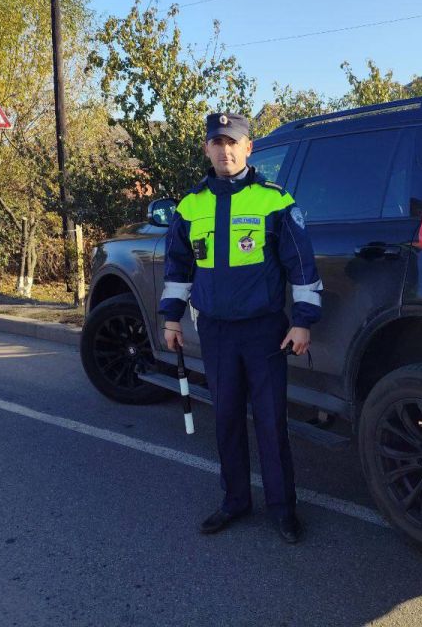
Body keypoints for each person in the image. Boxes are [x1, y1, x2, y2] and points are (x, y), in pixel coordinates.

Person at [158, 112, 322, 544]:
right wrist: (171, 317)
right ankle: (234, 501)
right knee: (227, 419)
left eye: (233, 142)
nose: (225, 150)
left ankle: (283, 510)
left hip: (265, 333)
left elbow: (301, 267)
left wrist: (303, 323)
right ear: (207, 149)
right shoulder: (190, 206)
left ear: (249, 148)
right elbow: (178, 267)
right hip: (215, 332)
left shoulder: (275, 200)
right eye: (217, 142)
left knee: (270, 422)